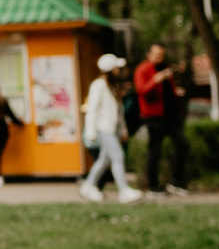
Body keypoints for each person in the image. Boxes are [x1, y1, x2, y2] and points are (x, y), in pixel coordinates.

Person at [78, 52, 143, 204]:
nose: (119, 70)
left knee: (103, 160)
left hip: (110, 129)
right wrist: (91, 132)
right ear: (110, 69)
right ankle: (124, 191)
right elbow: (92, 110)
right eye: (116, 67)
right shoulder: (99, 85)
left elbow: (118, 112)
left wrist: (123, 130)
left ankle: (88, 186)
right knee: (118, 156)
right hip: (103, 129)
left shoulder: (111, 86)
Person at [136, 43, 190, 196]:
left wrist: (176, 93)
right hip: (153, 116)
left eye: (161, 55)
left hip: (170, 115)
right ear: (149, 54)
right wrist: (155, 80)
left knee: (183, 145)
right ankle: (153, 186)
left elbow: (167, 90)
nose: (159, 58)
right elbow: (142, 90)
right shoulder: (143, 69)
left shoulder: (165, 68)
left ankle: (176, 182)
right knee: (155, 151)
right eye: (156, 54)